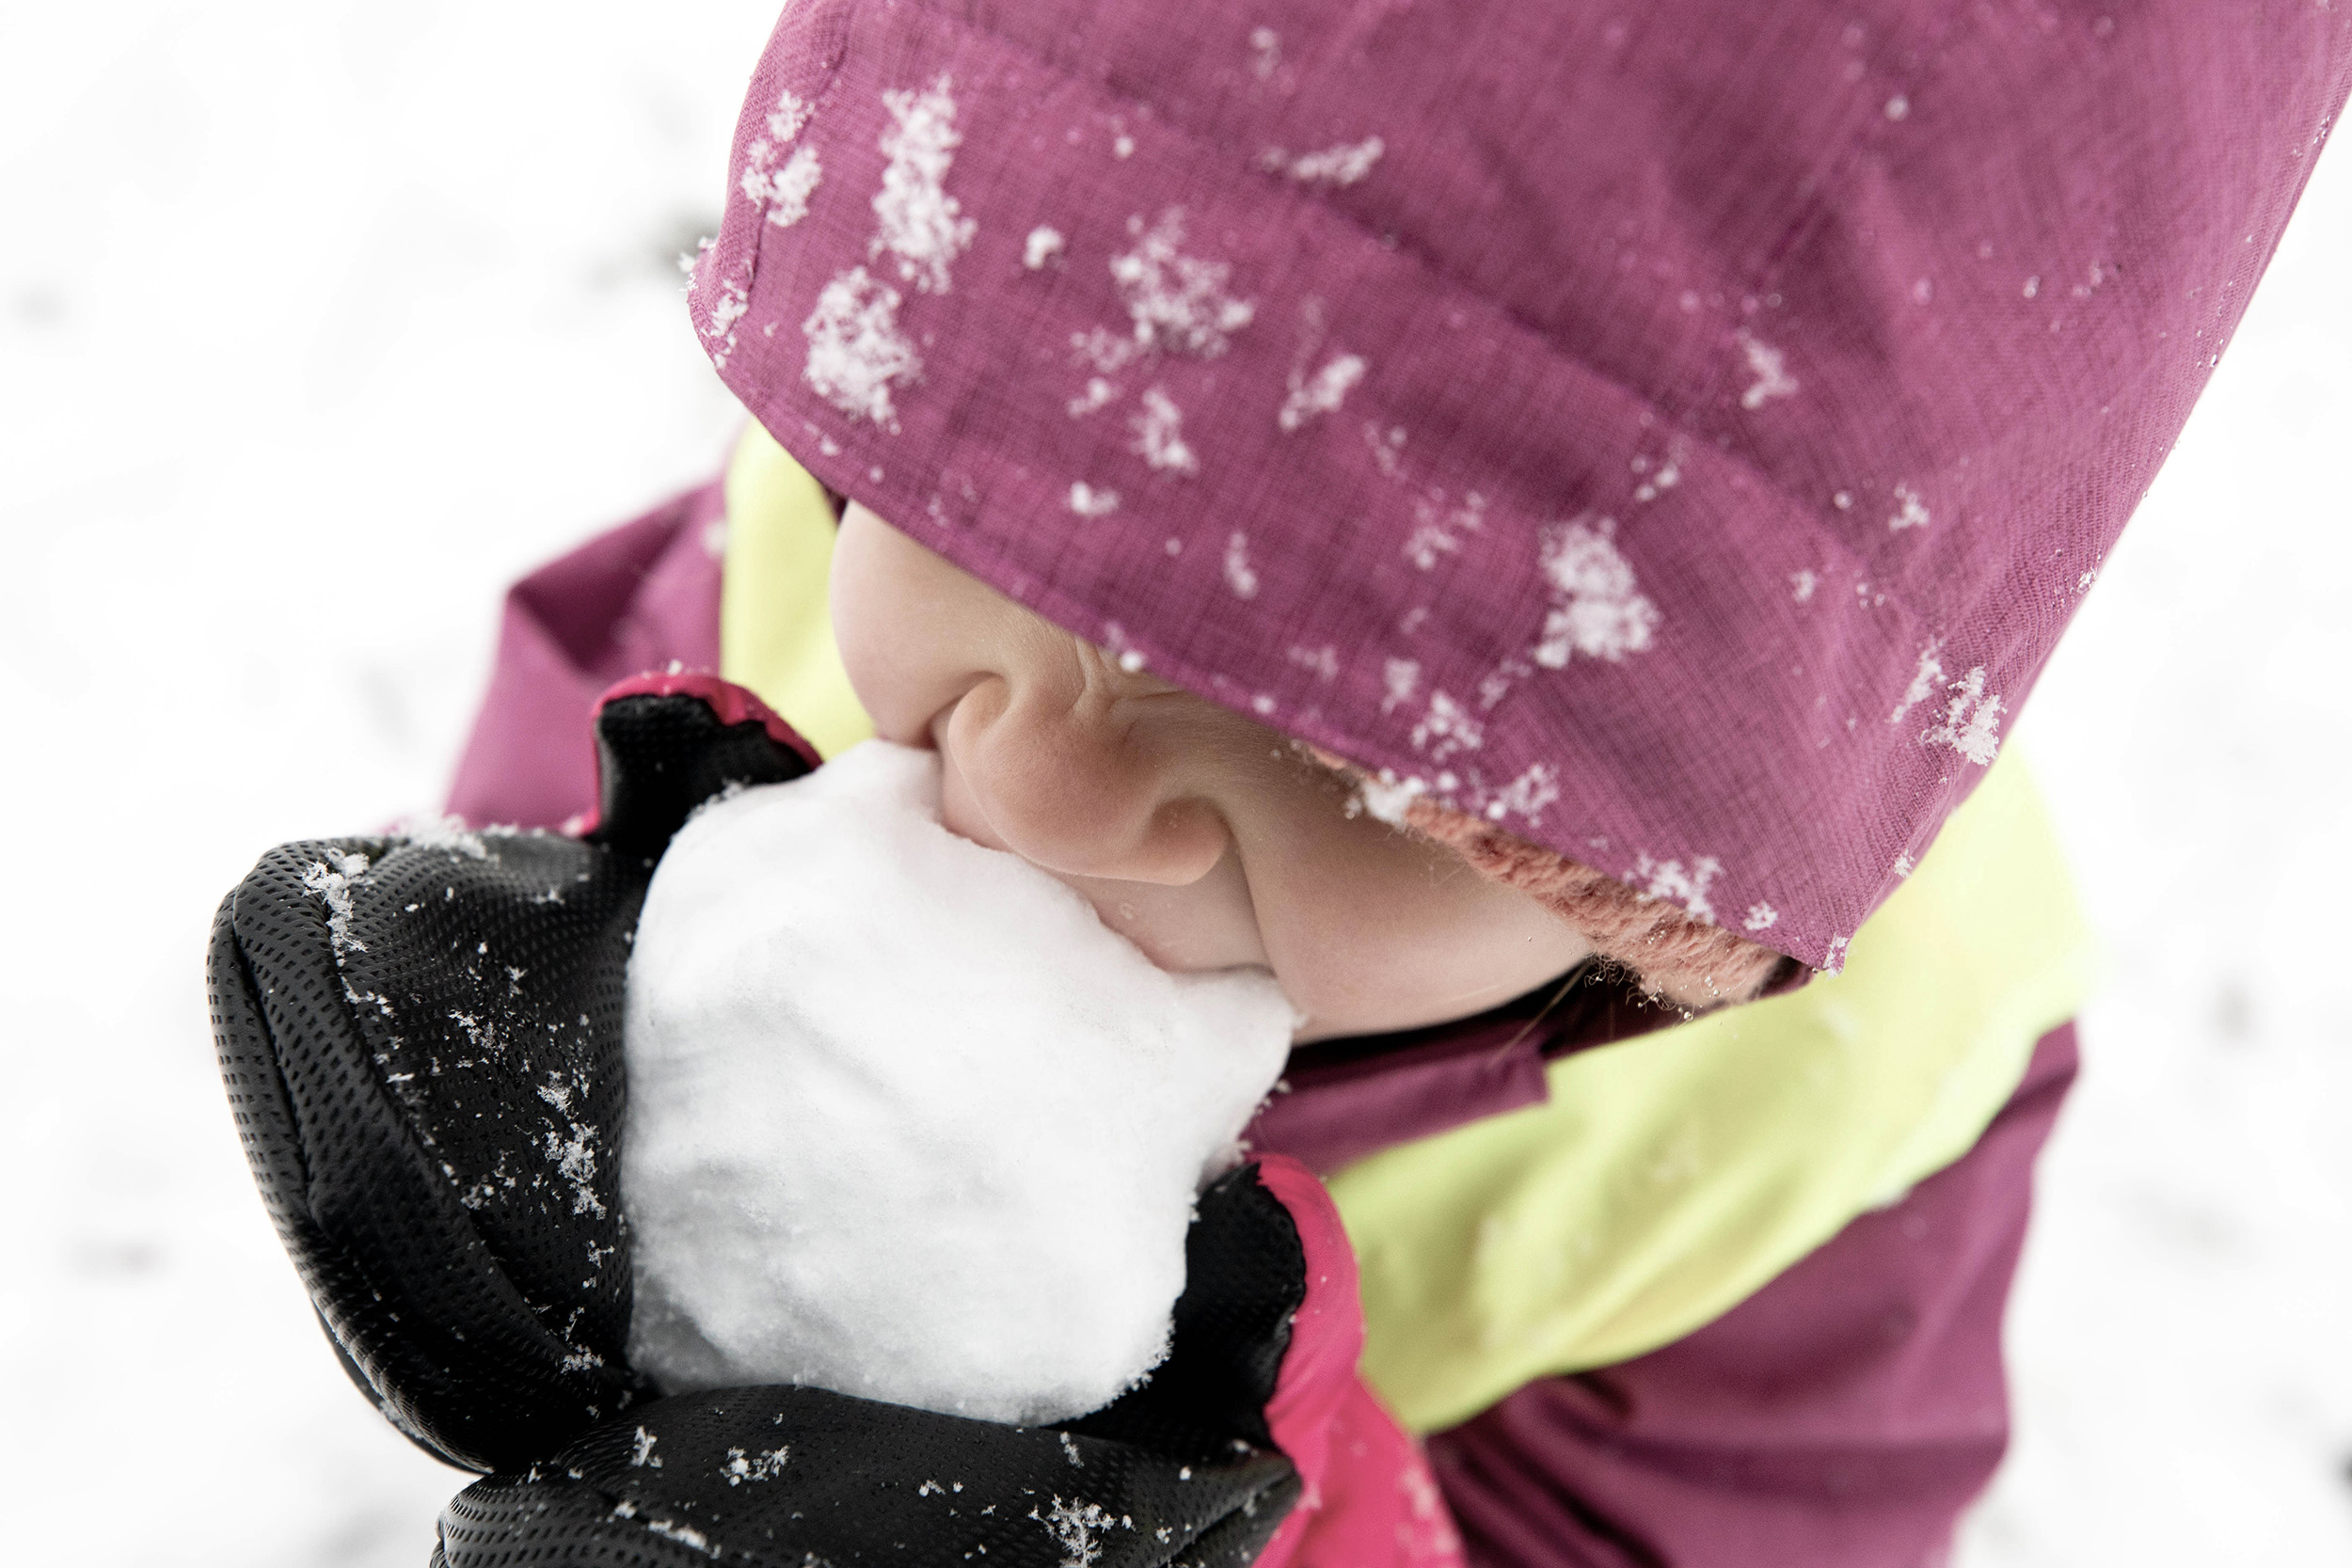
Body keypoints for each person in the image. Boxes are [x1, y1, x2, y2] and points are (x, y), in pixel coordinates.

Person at [373, 1, 2352, 1562]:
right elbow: (575, 731)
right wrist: (554, 1005)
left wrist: (1228, 1506)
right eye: (999, 530)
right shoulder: (807, 540)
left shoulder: (1834, 1118)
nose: (1053, 788)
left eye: (1350, 762)